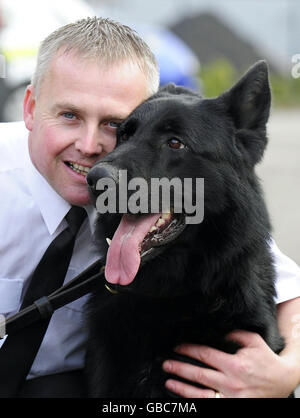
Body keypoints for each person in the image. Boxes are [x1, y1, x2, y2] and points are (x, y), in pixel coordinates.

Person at [0, 17, 299, 398]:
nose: (90, 147)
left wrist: (288, 373)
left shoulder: (148, 192)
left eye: (113, 124)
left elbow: (286, 285)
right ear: (29, 108)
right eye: (69, 116)